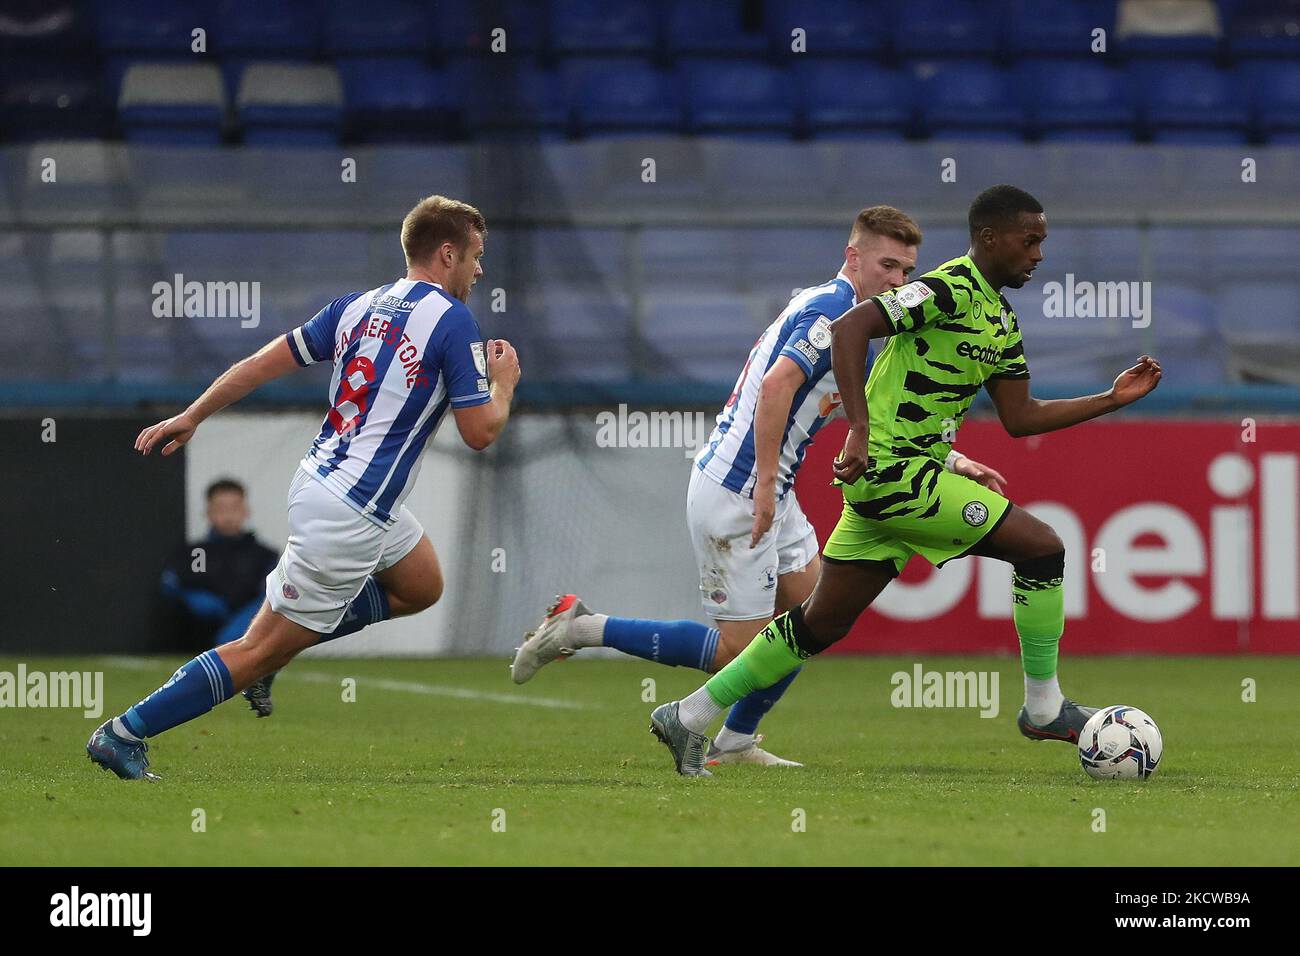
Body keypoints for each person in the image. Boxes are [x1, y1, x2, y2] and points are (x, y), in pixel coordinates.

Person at [650, 184, 1163, 776]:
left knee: (819, 623)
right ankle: (1043, 708)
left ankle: (687, 716)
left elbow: (1021, 418)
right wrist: (861, 429)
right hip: (896, 475)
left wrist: (1109, 399)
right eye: (1030, 241)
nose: (1039, 254)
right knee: (1043, 549)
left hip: (895, 484)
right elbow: (849, 329)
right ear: (991, 239)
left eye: (1043, 242)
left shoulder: (999, 320)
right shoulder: (944, 289)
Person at [510, 206, 1005, 767]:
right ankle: (582, 627)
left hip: (771, 490)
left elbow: (871, 416)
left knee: (813, 620)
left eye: (906, 271)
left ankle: (736, 740)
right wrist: (766, 485)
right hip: (738, 490)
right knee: (740, 653)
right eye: (887, 265)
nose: (897, 281)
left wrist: (953, 459)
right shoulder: (833, 314)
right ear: (854, 256)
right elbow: (775, 388)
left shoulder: (852, 321)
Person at [87, 195, 520, 780]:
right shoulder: (452, 319)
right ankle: (125, 732)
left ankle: (279, 646)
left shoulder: (359, 306)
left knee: (421, 584)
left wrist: (195, 413)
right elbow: (479, 431)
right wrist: (504, 385)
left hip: (324, 480)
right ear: (448, 253)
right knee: (256, 648)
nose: (479, 270)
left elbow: (268, 359)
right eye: (475, 256)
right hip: (353, 511)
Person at [159, 478, 280, 713]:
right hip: (197, 638)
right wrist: (193, 599)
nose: (228, 516)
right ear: (208, 513)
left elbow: (271, 593)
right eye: (221, 509)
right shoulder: (196, 552)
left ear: (246, 511)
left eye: (234, 508)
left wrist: (244, 621)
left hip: (247, 631)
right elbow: (173, 583)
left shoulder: (262, 554)